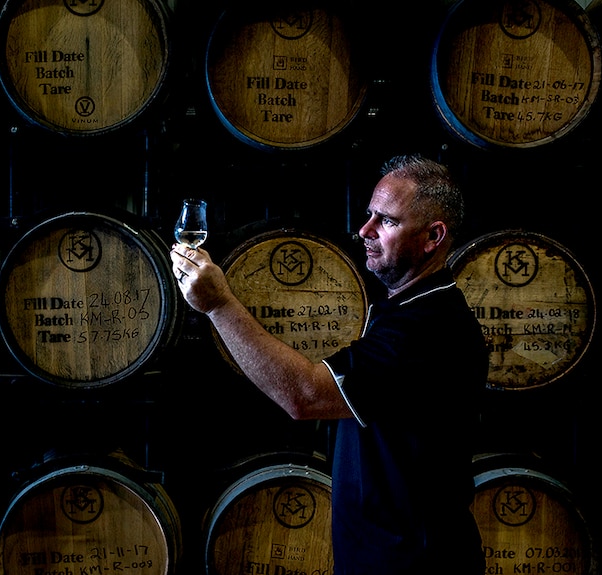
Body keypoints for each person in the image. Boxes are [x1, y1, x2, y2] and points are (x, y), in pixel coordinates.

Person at [169, 153, 489, 575]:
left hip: (413, 562)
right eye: (369, 214)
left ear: (433, 236)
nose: (365, 231)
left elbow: (305, 396)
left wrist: (218, 305)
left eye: (386, 221)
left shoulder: (428, 328)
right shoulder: (402, 308)